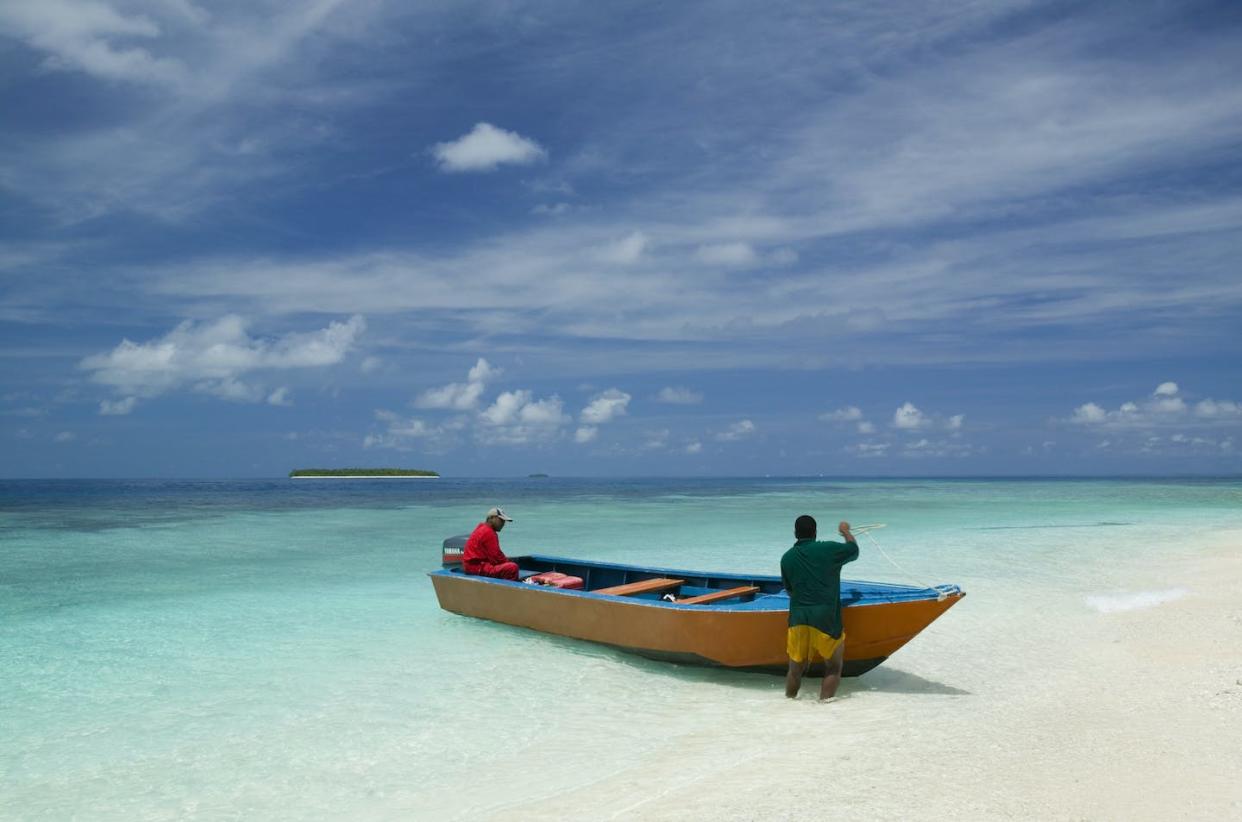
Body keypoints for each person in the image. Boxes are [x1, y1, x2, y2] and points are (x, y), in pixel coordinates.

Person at [780, 515, 859, 700]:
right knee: (833, 667)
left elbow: (789, 590)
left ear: (795, 533)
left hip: (798, 619)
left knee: (794, 670)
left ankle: (788, 704)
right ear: (815, 532)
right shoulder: (828, 549)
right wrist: (845, 530)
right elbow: (853, 550)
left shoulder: (787, 558)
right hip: (825, 620)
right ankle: (824, 708)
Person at [463, 507, 519, 580]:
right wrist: (508, 562)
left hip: (470, 567)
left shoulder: (481, 527)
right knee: (512, 568)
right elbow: (497, 557)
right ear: (491, 518)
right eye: (501, 520)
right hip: (477, 568)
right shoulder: (489, 532)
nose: (503, 524)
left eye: (504, 521)